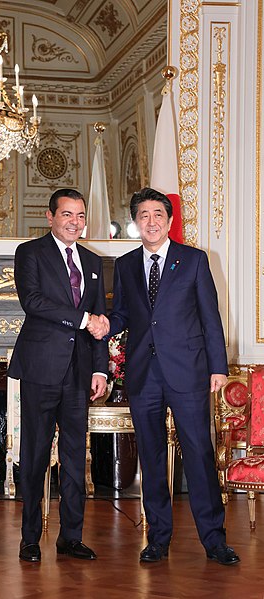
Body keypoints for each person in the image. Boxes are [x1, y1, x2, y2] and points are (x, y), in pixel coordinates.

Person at [94, 187, 239, 566]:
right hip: (143, 374)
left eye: (158, 214)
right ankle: (157, 538)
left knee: (199, 453)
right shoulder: (124, 265)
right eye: (143, 215)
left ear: (170, 221)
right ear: (135, 222)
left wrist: (217, 367)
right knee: (152, 458)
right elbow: (125, 315)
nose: (151, 221)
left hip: (189, 372)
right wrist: (106, 323)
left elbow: (210, 316)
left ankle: (214, 539)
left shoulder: (193, 260)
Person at [8, 188, 109, 563]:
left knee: (73, 456)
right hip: (40, 367)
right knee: (34, 455)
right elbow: (31, 301)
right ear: (50, 217)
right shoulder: (30, 253)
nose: (74, 222)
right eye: (67, 214)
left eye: (80, 215)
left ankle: (70, 536)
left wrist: (100, 367)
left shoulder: (94, 262)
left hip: (79, 373)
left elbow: (99, 321)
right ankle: (30, 538)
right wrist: (83, 319)